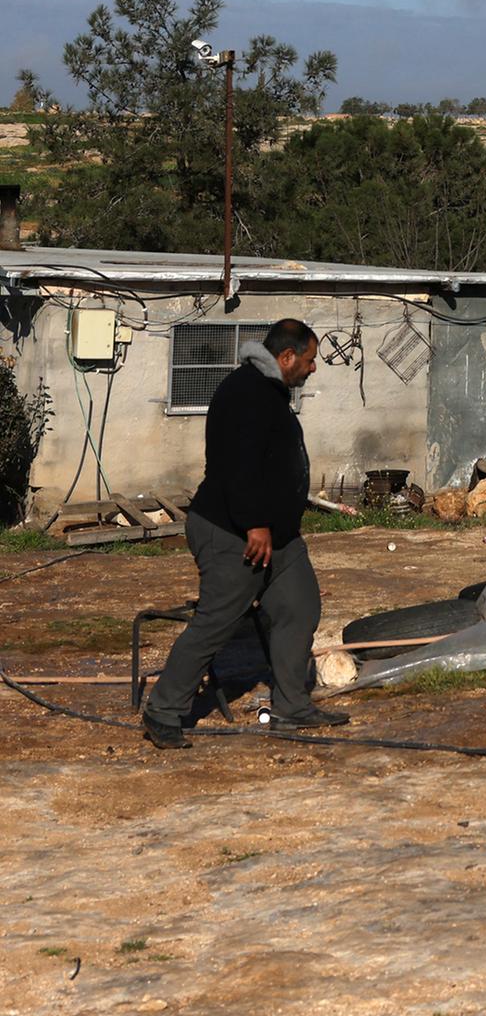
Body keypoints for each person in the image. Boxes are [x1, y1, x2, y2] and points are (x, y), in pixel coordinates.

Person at [142, 317, 349, 746]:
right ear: (286, 356)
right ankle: (164, 709)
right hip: (232, 530)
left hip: (278, 535)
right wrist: (256, 523)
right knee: (218, 621)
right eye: (309, 361)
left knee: (299, 605)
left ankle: (292, 706)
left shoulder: (269, 392)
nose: (313, 369)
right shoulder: (245, 393)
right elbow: (238, 466)